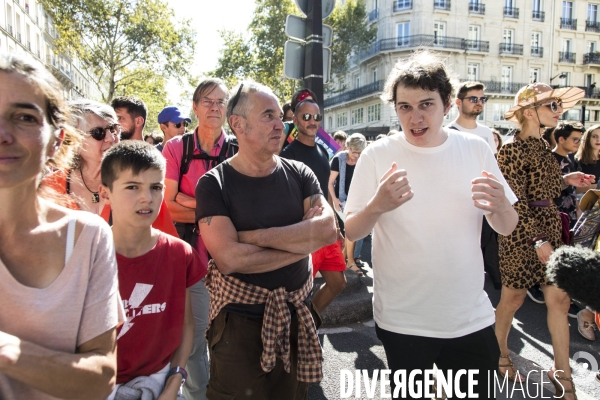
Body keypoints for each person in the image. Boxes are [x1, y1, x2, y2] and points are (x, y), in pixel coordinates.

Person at [344, 50, 519, 399]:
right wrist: (378, 206)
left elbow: (507, 226)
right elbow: (351, 231)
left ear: (448, 104)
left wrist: (501, 205)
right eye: (405, 107)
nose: (415, 117)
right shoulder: (377, 155)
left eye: (426, 104)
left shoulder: (475, 149)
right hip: (403, 318)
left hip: (469, 315)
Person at [196, 80, 336, 399]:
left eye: (280, 117)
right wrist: (302, 242)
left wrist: (256, 238)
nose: (281, 125)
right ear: (238, 124)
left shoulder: (301, 174)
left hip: (295, 317)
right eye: (269, 116)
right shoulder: (213, 185)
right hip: (238, 328)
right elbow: (230, 259)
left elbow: (327, 231)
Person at [0, 53, 123, 399]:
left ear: (59, 139)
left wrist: (9, 352)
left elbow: (100, 377)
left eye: (24, 117)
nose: (2, 133)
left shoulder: (87, 236)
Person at [496, 82, 592, 399]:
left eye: (557, 105)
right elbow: (516, 201)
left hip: (552, 230)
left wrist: (568, 182)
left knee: (560, 301)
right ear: (528, 111)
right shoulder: (509, 150)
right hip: (521, 234)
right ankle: (501, 355)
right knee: (513, 300)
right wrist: (538, 241)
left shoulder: (549, 152)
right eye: (551, 105)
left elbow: (544, 194)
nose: (558, 110)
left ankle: (563, 377)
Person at [98, 141, 206, 399]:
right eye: (133, 187)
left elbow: (186, 324)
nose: (147, 197)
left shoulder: (180, 253)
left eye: (156, 187)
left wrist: (175, 378)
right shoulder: (88, 256)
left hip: (161, 383)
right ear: (105, 193)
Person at [162, 77, 236, 400]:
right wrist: (214, 209)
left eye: (221, 101)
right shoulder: (176, 148)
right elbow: (167, 206)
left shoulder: (238, 147)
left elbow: (245, 208)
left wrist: (188, 202)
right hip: (191, 262)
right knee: (192, 345)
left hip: (232, 262)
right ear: (194, 107)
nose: (214, 107)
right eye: (207, 101)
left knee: (230, 341)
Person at [41, 100, 177, 237]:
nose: (111, 138)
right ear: (74, 141)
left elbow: (167, 245)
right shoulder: (49, 187)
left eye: (113, 129)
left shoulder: (141, 182)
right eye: (98, 132)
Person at [280, 98, 347, 318]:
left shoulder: (322, 151)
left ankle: (306, 325)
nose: (312, 121)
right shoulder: (288, 155)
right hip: (305, 234)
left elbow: (326, 191)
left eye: (316, 117)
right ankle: (299, 331)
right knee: (300, 291)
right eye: (306, 116)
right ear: (295, 119)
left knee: (338, 282)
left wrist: (335, 224)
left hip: (324, 229)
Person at [328, 133, 368, 275]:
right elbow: (330, 183)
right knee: (351, 230)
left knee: (353, 232)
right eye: (354, 152)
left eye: (359, 152)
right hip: (341, 200)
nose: (356, 155)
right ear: (348, 148)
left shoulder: (363, 160)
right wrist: (335, 200)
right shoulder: (338, 159)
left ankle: (340, 260)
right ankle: (350, 263)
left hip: (357, 200)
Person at [446, 81, 497, 153]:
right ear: (458, 102)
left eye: (482, 99)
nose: (479, 103)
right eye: (473, 99)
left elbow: (491, 162)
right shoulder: (447, 133)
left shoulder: (487, 132)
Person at [574, 124, 600, 193]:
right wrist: (595, 187)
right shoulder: (576, 161)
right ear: (587, 138)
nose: (598, 140)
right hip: (583, 202)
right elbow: (569, 189)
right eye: (594, 136)